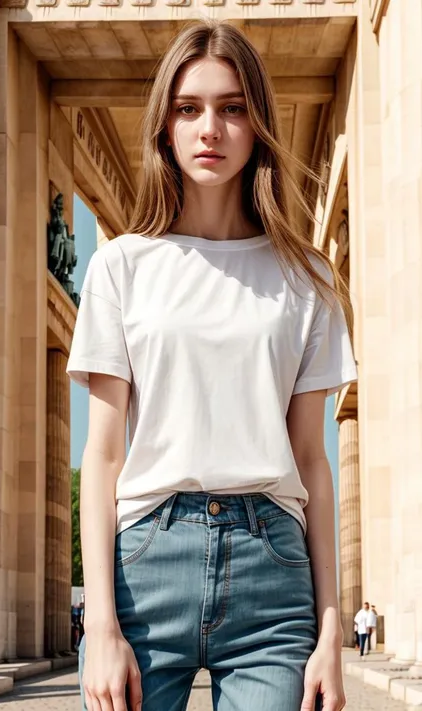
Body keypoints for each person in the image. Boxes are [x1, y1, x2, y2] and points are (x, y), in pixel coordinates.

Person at [66, 19, 357, 711]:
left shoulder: (307, 279)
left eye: (232, 108)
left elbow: (311, 458)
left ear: (257, 125)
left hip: (273, 574)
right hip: (145, 567)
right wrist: (99, 624)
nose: (210, 129)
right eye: (189, 108)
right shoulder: (120, 268)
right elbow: (103, 456)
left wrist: (329, 633)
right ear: (164, 125)